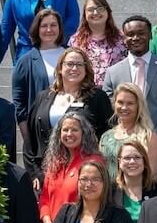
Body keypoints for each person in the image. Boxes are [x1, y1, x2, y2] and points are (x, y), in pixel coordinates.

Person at [24, 47, 114, 183]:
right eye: (69, 64)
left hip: (83, 173)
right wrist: (34, 174)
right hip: (45, 173)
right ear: (60, 68)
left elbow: (108, 136)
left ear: (86, 69)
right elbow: (30, 140)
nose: (74, 68)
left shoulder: (97, 97)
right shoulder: (43, 97)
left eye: (79, 64)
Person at [37, 114, 103, 223]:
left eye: (74, 129)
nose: (69, 133)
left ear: (84, 133)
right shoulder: (55, 162)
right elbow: (45, 198)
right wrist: (46, 221)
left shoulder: (93, 162)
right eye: (65, 129)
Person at [103, 15, 157, 139]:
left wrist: (155, 138)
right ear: (124, 38)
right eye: (130, 34)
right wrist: (124, 136)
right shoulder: (113, 72)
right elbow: (109, 111)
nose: (135, 38)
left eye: (141, 33)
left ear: (150, 35)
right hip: (124, 143)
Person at [12, 8, 67, 144]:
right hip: (40, 133)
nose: (49, 30)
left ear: (60, 28)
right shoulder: (26, 61)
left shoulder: (70, 55)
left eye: (53, 25)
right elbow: (19, 103)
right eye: (44, 26)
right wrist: (27, 137)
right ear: (37, 29)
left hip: (70, 127)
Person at [100, 83, 157, 180]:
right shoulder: (106, 137)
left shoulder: (148, 137)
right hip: (108, 193)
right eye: (120, 102)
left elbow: (150, 177)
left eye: (130, 103)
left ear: (138, 106)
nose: (124, 107)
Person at [70, 0, 127, 88]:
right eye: (90, 10)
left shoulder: (122, 38)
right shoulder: (76, 41)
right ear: (84, 14)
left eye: (100, 9)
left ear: (108, 12)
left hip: (116, 94)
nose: (95, 13)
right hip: (86, 93)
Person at [111, 140, 157, 222]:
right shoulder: (110, 191)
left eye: (137, 157)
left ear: (144, 162)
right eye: (127, 158)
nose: (132, 161)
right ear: (119, 162)